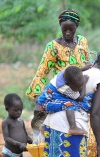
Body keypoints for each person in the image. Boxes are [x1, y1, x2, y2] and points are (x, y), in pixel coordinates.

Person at [26, 9, 90, 139]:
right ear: (60, 26)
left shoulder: (82, 42)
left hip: (80, 86)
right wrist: (39, 97)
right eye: (64, 29)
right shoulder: (53, 46)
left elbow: (87, 63)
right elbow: (42, 72)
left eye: (71, 29)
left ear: (76, 27)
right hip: (62, 90)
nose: (67, 32)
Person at [38, 65, 89, 135]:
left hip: (54, 95)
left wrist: (82, 69)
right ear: (68, 84)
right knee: (69, 104)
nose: (80, 88)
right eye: (78, 87)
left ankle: (45, 127)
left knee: (81, 102)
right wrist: (85, 83)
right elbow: (80, 98)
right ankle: (73, 127)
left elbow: (73, 72)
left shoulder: (65, 74)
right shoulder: (63, 87)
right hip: (47, 101)